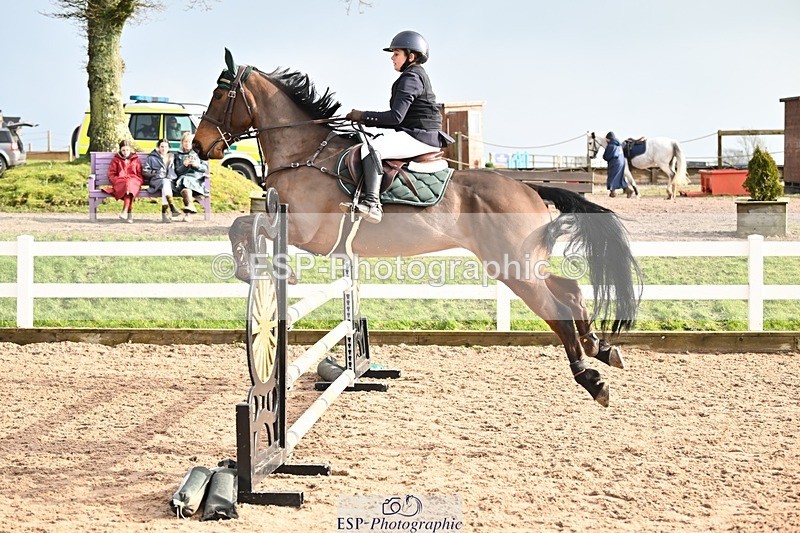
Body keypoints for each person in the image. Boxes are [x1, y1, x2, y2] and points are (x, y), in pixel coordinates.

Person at [340, 30, 453, 223]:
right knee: (374, 142)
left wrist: (363, 116)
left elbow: (395, 117)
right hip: (417, 134)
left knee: (371, 147)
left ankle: (372, 204)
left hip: (420, 137)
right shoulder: (413, 75)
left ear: (411, 56)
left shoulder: (411, 78)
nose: (392, 58)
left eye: (396, 53)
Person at [174, 132, 209, 222]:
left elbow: (205, 168)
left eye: (189, 141)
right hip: (183, 180)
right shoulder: (178, 155)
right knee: (185, 188)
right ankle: (189, 211)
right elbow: (177, 171)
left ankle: (188, 214)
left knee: (185, 187)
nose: (187, 143)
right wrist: (184, 165)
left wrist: (196, 165)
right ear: (182, 143)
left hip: (197, 180)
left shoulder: (199, 154)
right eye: (185, 141)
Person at [143, 138, 181, 223]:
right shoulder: (152, 157)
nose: (164, 149)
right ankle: (171, 207)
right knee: (165, 182)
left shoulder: (173, 157)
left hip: (170, 182)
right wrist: (156, 172)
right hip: (156, 181)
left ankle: (165, 215)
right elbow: (145, 171)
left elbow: (178, 170)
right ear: (158, 147)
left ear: (169, 148)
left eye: (166, 147)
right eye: (162, 147)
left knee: (166, 185)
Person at [107, 139, 143, 223]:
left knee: (129, 185)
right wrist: (116, 180)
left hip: (134, 181)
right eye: (123, 150)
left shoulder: (135, 159)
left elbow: (139, 173)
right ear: (120, 150)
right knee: (128, 187)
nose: (125, 152)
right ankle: (129, 215)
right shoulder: (116, 160)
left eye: (127, 149)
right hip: (120, 181)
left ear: (130, 149)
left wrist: (138, 180)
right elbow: (111, 174)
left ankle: (125, 210)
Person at [603, 131, 634, 198]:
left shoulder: (611, 145)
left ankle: (613, 193)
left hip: (614, 163)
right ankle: (628, 190)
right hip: (621, 162)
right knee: (619, 177)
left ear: (609, 138)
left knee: (612, 176)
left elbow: (606, 157)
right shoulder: (618, 145)